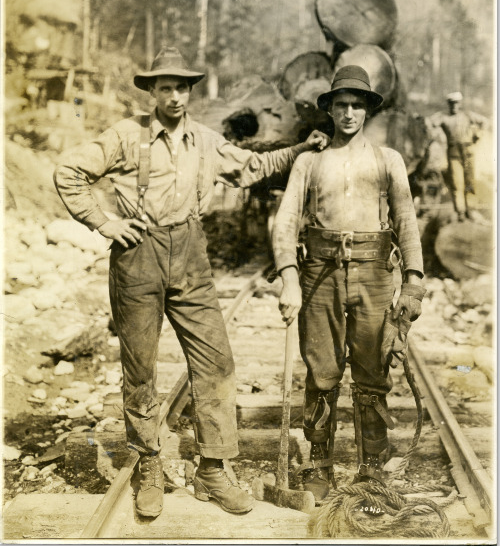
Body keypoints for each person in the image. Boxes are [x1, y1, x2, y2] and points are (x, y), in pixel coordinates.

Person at [53, 46, 328, 519]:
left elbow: (251, 167)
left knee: (216, 363)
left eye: (182, 87)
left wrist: (302, 149)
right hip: (138, 257)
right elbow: (69, 172)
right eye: (165, 87)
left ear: (190, 91)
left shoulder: (203, 140)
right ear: (152, 92)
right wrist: (105, 223)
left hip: (191, 257)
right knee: (140, 370)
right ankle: (149, 465)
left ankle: (213, 469)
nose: (175, 96)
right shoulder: (126, 134)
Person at [272, 65, 425, 502]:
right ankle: (319, 465)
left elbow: (407, 220)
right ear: (330, 109)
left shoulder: (387, 160)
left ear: (368, 110)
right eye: (341, 104)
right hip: (319, 272)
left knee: (373, 371)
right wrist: (288, 279)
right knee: (322, 371)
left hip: (375, 273)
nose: (349, 113)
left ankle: (371, 467)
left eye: (358, 105)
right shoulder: (309, 161)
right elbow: (285, 223)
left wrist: (413, 281)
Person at [428, 91, 483, 221]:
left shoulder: (468, 115)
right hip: (454, 154)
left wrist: (478, 134)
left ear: (460, 103)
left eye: (456, 103)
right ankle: (460, 212)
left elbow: (484, 122)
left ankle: (472, 210)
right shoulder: (444, 117)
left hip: (468, 151)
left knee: (470, 181)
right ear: (448, 104)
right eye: (451, 103)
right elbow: (429, 122)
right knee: (457, 183)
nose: (454, 106)